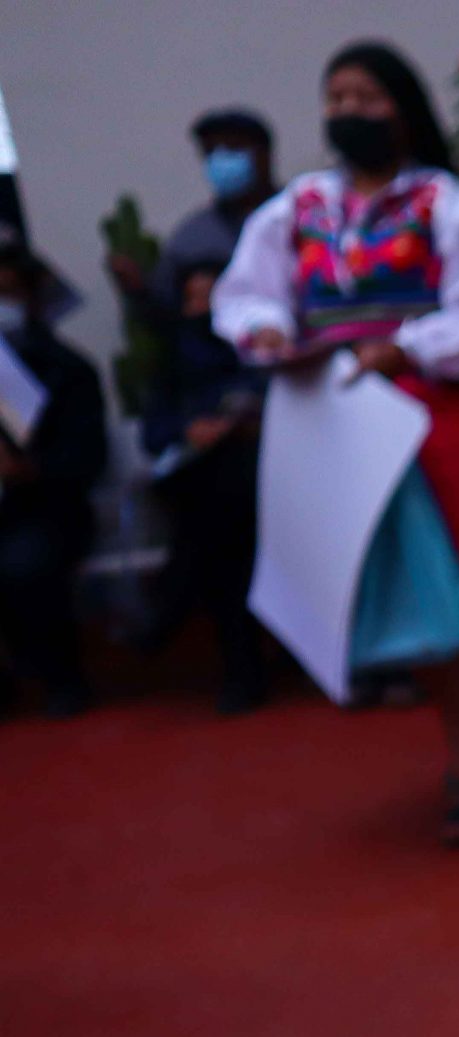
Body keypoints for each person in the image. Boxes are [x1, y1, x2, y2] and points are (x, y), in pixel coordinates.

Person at [214, 41, 459, 844]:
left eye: (366, 97)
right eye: (336, 97)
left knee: (440, 595)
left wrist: (405, 347)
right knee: (389, 593)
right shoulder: (298, 208)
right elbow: (247, 293)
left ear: (403, 109)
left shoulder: (445, 203)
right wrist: (266, 329)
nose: (348, 111)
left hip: (422, 424)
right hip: (329, 420)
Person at [139, 261, 267, 712]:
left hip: (264, 482)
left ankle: (170, 605)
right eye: (192, 300)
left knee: (217, 524)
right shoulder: (172, 364)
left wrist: (247, 424)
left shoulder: (259, 348)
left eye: (211, 298)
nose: (202, 310)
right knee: (221, 533)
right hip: (199, 483)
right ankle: (241, 671)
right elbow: (153, 433)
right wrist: (189, 429)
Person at [0, 239, 110, 718]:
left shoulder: (68, 370)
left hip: (48, 510)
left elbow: (87, 459)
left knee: (25, 564)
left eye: (6, 294)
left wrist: (30, 470)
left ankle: (63, 681)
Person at [109, 108, 278, 316]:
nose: (221, 160)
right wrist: (138, 291)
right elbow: (165, 314)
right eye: (211, 151)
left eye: (233, 148)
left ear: (265, 154)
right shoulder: (191, 240)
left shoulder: (305, 213)